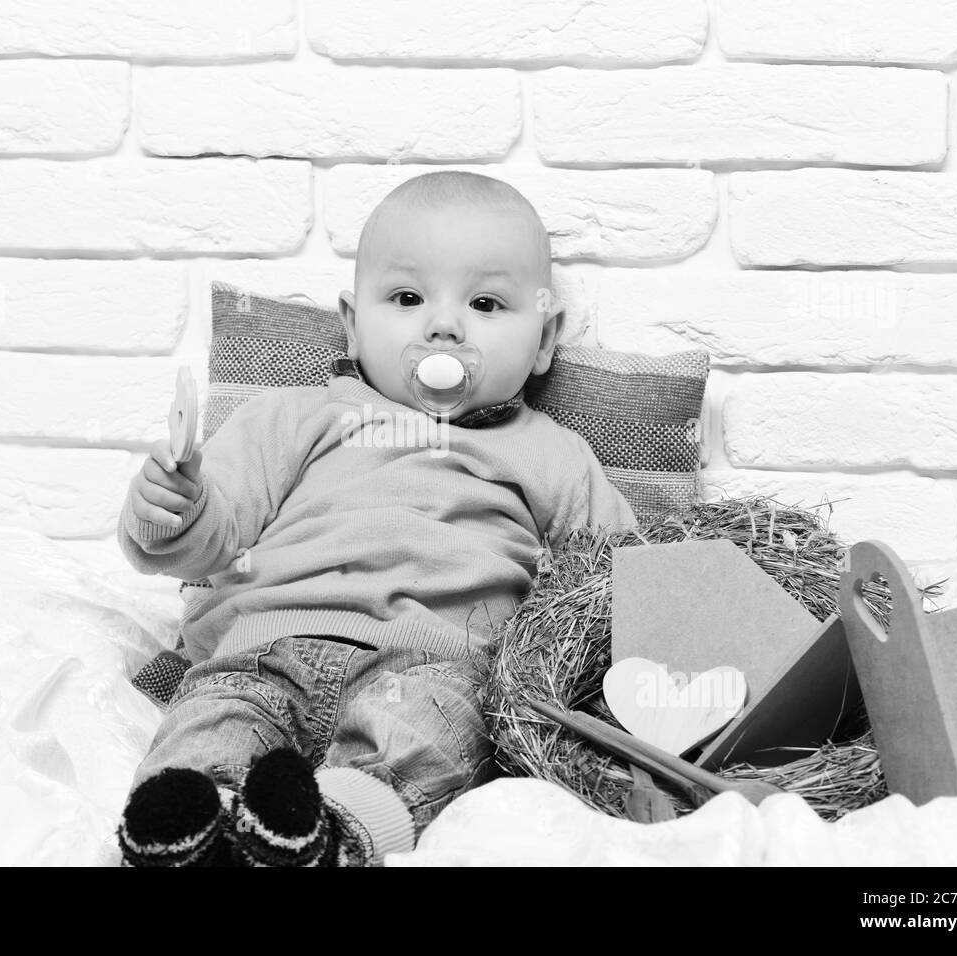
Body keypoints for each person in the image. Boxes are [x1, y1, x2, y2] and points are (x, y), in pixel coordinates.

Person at [114, 170, 637, 866]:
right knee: (215, 719)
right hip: (267, 648)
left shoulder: (553, 456)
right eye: (407, 297)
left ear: (544, 341)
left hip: (434, 663)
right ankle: (189, 825)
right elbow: (213, 533)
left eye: (485, 302)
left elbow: (621, 578)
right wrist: (171, 509)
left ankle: (329, 831)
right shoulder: (297, 416)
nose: (444, 324)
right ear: (354, 326)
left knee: (425, 737)